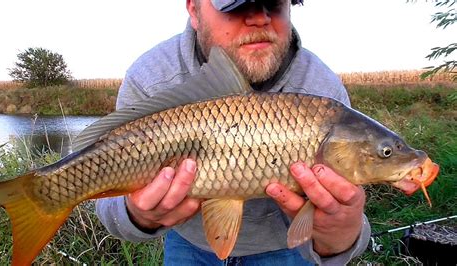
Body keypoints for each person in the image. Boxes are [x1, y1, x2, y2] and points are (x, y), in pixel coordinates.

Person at [96, 0, 371, 265]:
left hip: (284, 248)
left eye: (273, 3)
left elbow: (344, 221)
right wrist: (138, 215)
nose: (259, 18)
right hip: (189, 243)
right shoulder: (151, 77)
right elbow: (108, 206)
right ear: (194, 8)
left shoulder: (322, 91)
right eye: (237, 6)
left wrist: (341, 237)